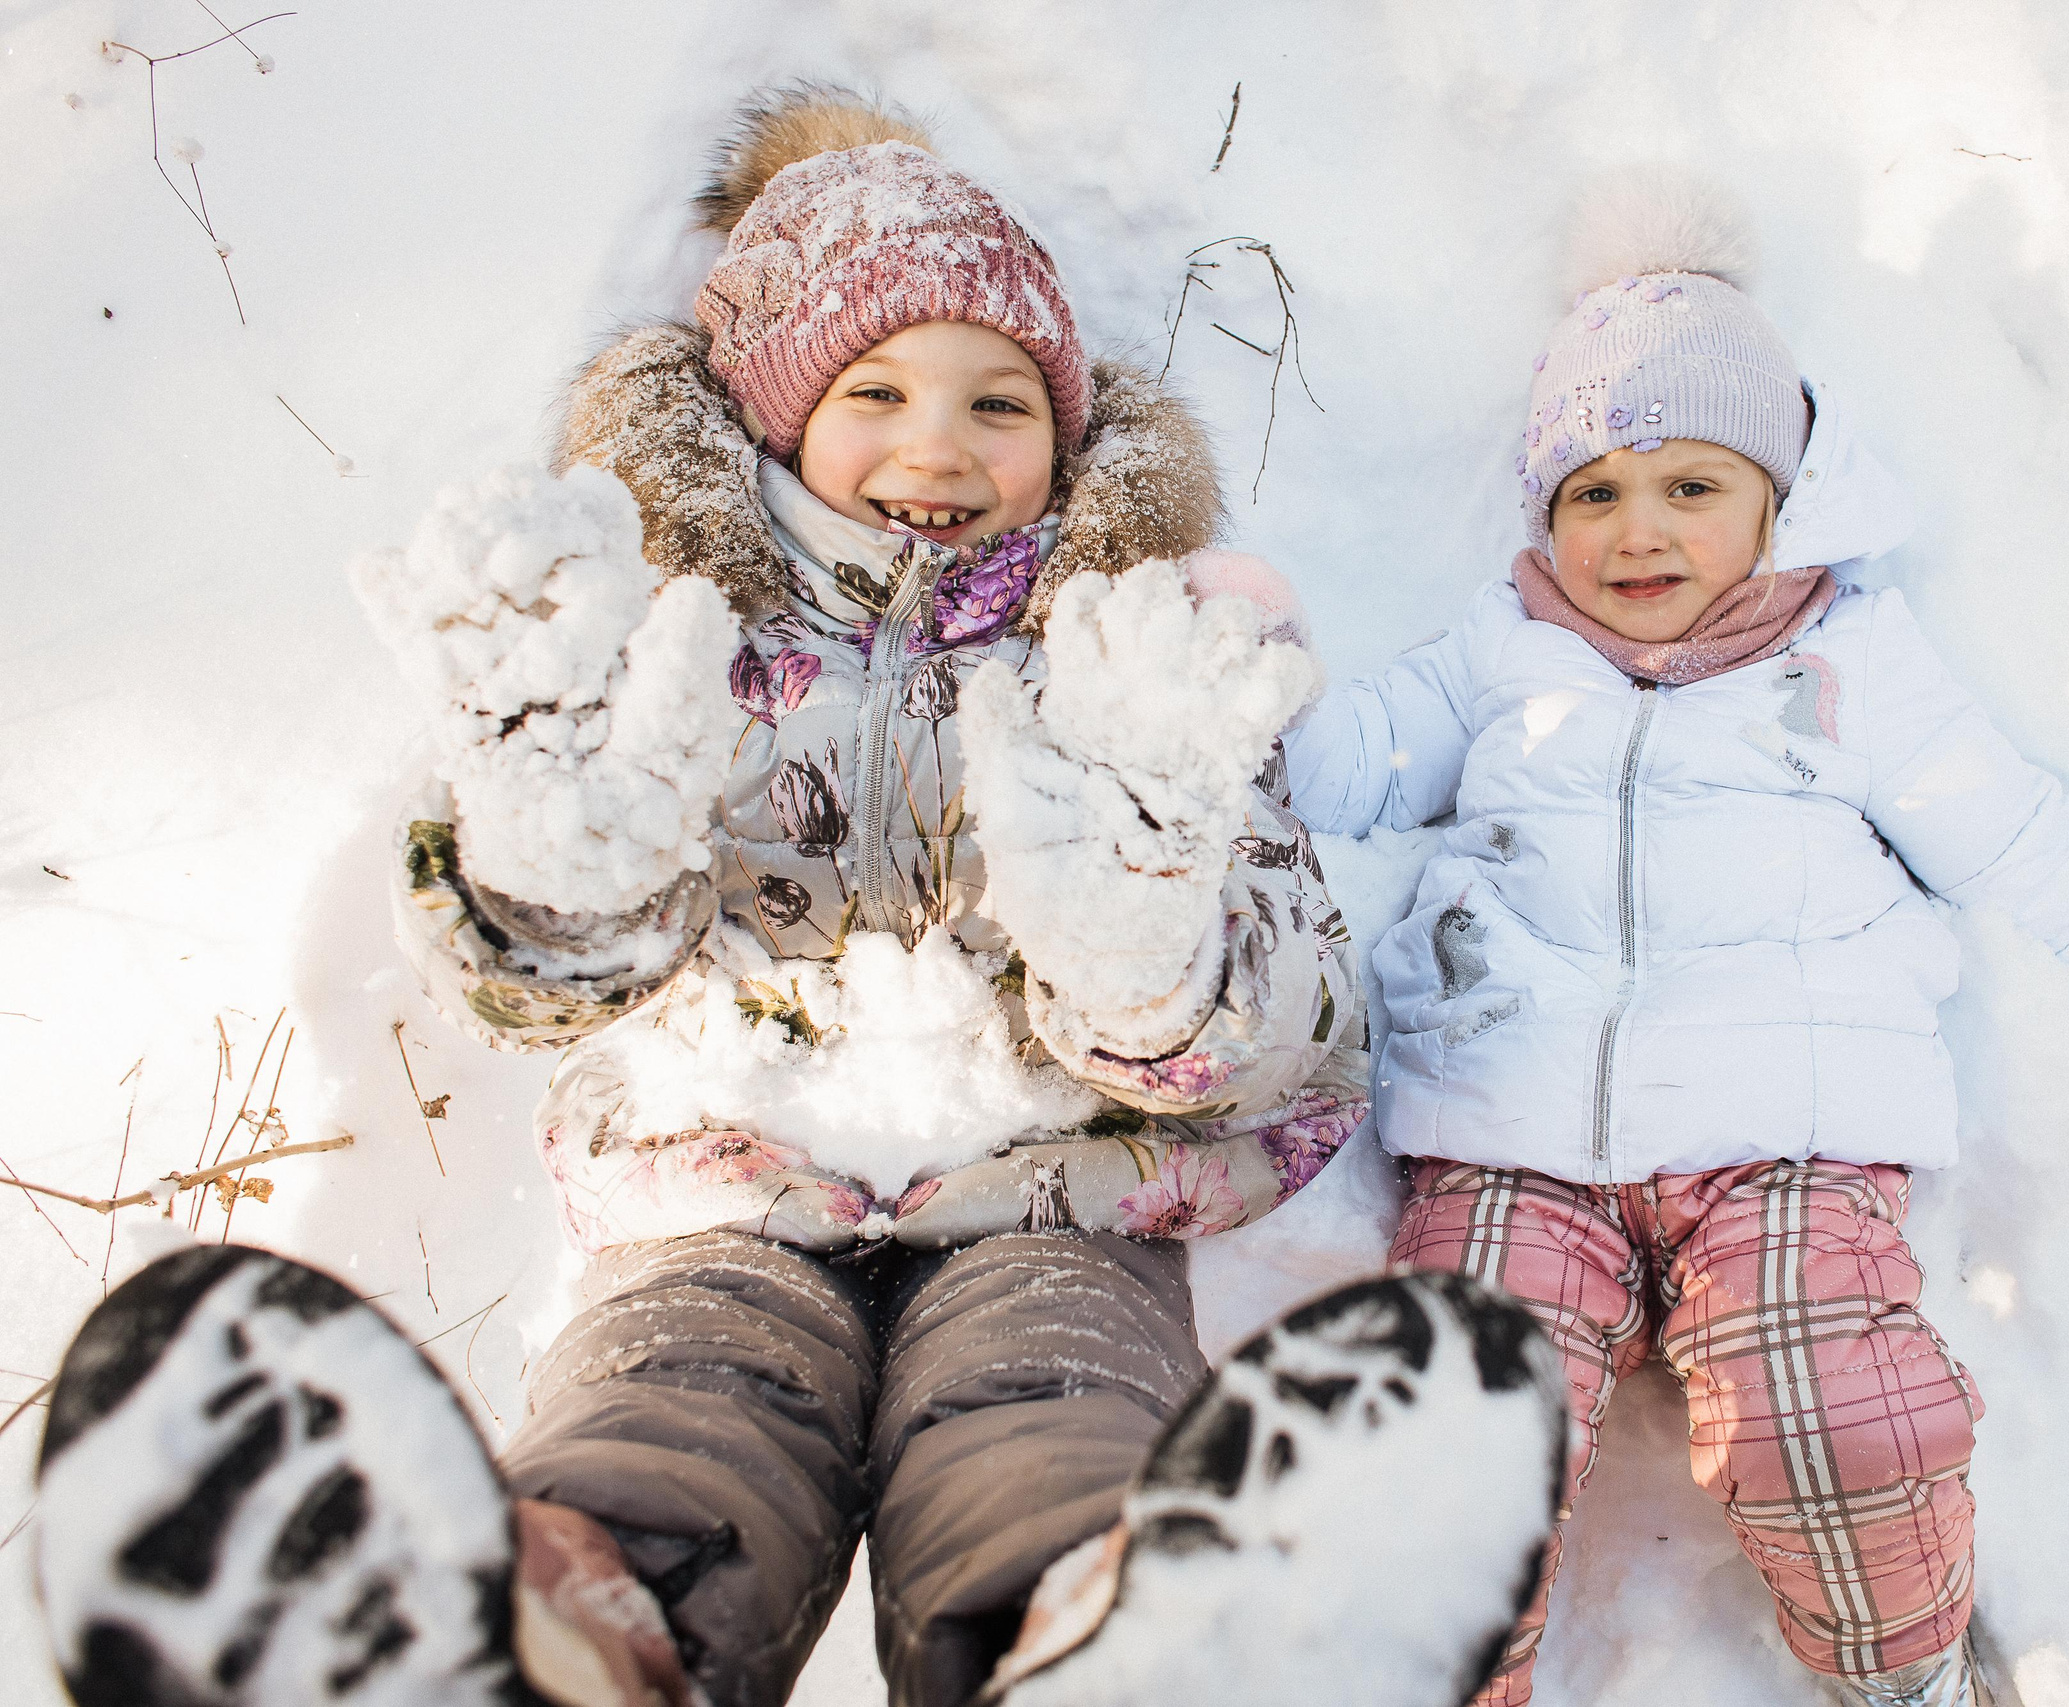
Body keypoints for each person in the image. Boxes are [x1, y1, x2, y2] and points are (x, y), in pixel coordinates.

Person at [29, 89, 1565, 1707]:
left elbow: (1303, 1033)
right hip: (725, 1184)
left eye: (1001, 402)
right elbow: (529, 995)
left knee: (1052, 1407)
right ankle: (555, 1630)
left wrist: (1154, 968)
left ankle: (1101, 1630)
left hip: (1056, 1188)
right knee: (677, 1410)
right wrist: (562, 884)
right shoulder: (668, 639)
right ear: (770, 422)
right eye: (876, 387)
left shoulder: (1143, 660)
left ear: (1070, 436)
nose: (940, 443)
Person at [1279, 169, 2069, 1706]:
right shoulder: (1494, 656)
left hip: (1782, 1149)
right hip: (1508, 1146)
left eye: (1690, 487)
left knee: (1835, 1409)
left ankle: (1903, 1672)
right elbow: (1334, 776)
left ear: (1784, 501)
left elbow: (2041, 846)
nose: (1635, 531)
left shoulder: (1852, 669)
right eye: (1593, 492)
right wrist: (1219, 684)